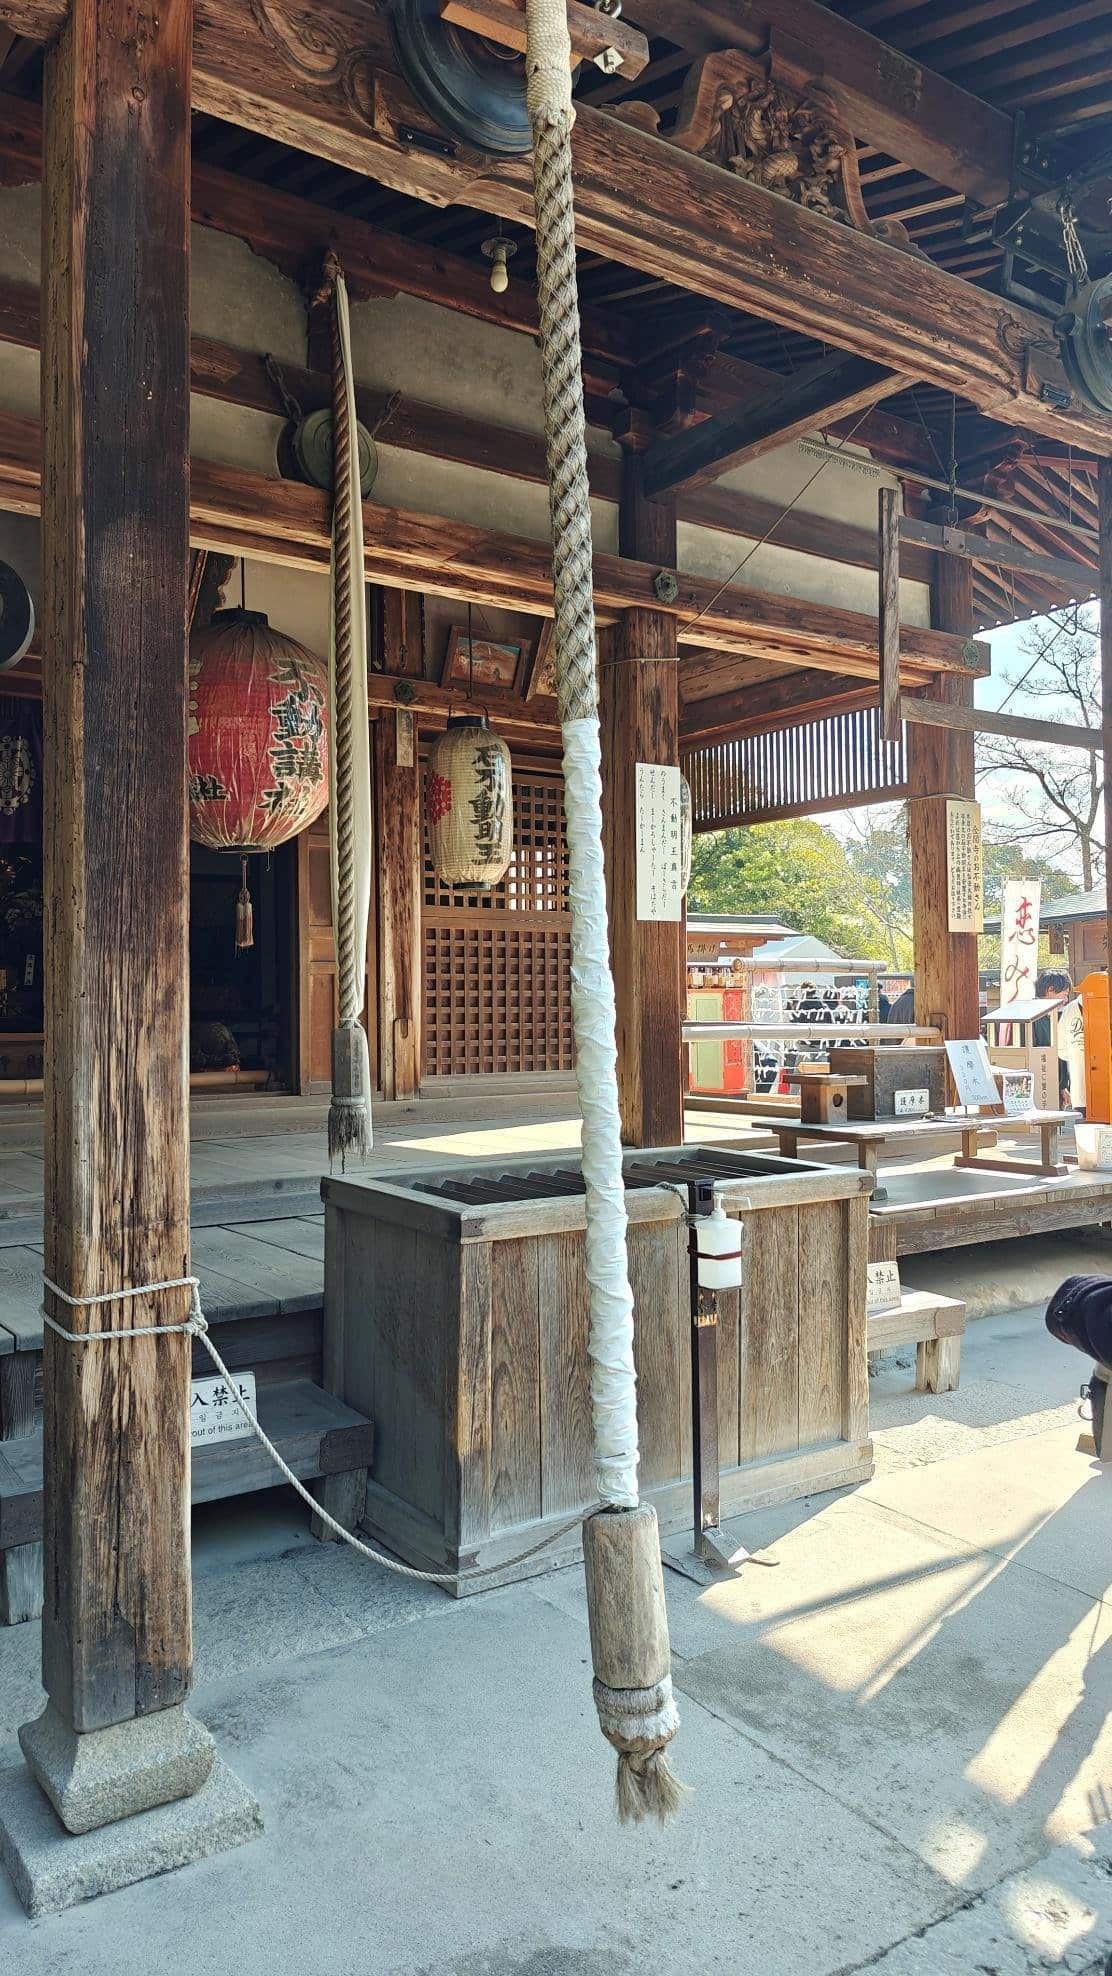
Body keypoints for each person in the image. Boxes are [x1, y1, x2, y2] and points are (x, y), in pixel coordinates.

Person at [1033, 970, 1072, 1108]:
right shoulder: (1032, 1017)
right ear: (1050, 990)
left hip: (1055, 1088)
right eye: (1064, 995)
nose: (1066, 1000)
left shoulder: (1055, 1017)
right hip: (1038, 1088)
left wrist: (1062, 1087)